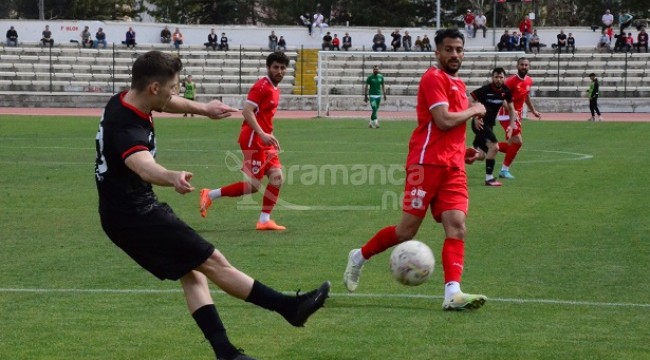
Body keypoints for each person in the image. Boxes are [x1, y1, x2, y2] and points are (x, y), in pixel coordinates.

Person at [94, 50, 330, 360]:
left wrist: (205, 109)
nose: (176, 92)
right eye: (173, 86)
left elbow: (170, 104)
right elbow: (141, 165)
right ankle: (289, 308)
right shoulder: (125, 127)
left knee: (193, 273)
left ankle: (226, 353)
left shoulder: (127, 98)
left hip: (124, 214)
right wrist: (171, 176)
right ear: (154, 87)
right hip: (136, 216)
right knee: (214, 261)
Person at [343, 28, 488, 311]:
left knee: (457, 227)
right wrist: (475, 109)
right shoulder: (432, 78)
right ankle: (358, 256)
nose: (455, 54)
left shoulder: (458, 84)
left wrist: (464, 151)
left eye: (459, 49)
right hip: (425, 164)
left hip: (452, 167)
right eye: (449, 49)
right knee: (405, 231)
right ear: (437, 51)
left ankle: (452, 293)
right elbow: (444, 120)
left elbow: (451, 129)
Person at [200, 52, 291, 231]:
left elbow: (263, 115)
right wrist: (262, 134)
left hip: (264, 140)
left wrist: (269, 135)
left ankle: (264, 220)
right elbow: (247, 111)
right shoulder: (261, 86)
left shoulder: (275, 88)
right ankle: (209, 194)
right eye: (275, 67)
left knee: (277, 177)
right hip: (252, 139)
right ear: (268, 68)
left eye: (282, 68)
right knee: (253, 186)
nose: (279, 71)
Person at [467, 67, 517, 187]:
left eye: (501, 77)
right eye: (496, 77)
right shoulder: (485, 90)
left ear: (504, 78)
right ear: (492, 78)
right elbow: (469, 100)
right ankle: (489, 179)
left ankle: (462, 155)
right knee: (494, 147)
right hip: (480, 124)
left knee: (481, 155)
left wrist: (511, 126)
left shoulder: (506, 91)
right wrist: (475, 117)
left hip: (489, 125)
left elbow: (511, 109)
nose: (498, 80)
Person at [496, 57, 542, 179]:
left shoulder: (529, 81)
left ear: (529, 67)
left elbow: (526, 97)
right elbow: (501, 97)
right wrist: (511, 110)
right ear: (517, 66)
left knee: (511, 145)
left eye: (526, 65)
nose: (524, 67)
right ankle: (504, 170)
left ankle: (487, 146)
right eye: (522, 65)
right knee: (518, 142)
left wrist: (533, 110)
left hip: (517, 116)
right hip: (507, 115)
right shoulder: (510, 81)